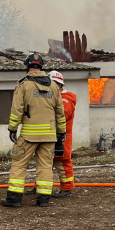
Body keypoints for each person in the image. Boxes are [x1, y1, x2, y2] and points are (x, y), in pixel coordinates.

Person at [2, 53, 66, 208]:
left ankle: (14, 199)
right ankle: (43, 199)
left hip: (29, 135)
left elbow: (17, 109)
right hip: (50, 135)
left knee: (19, 163)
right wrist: (61, 132)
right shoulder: (53, 85)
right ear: (42, 66)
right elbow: (60, 111)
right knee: (45, 166)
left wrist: (12, 129)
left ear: (27, 66)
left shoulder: (24, 84)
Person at [48, 70, 77, 198]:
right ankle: (39, 187)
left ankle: (67, 188)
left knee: (62, 163)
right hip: (49, 137)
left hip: (62, 139)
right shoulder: (54, 98)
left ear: (60, 85)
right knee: (44, 164)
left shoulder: (66, 100)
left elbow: (62, 114)